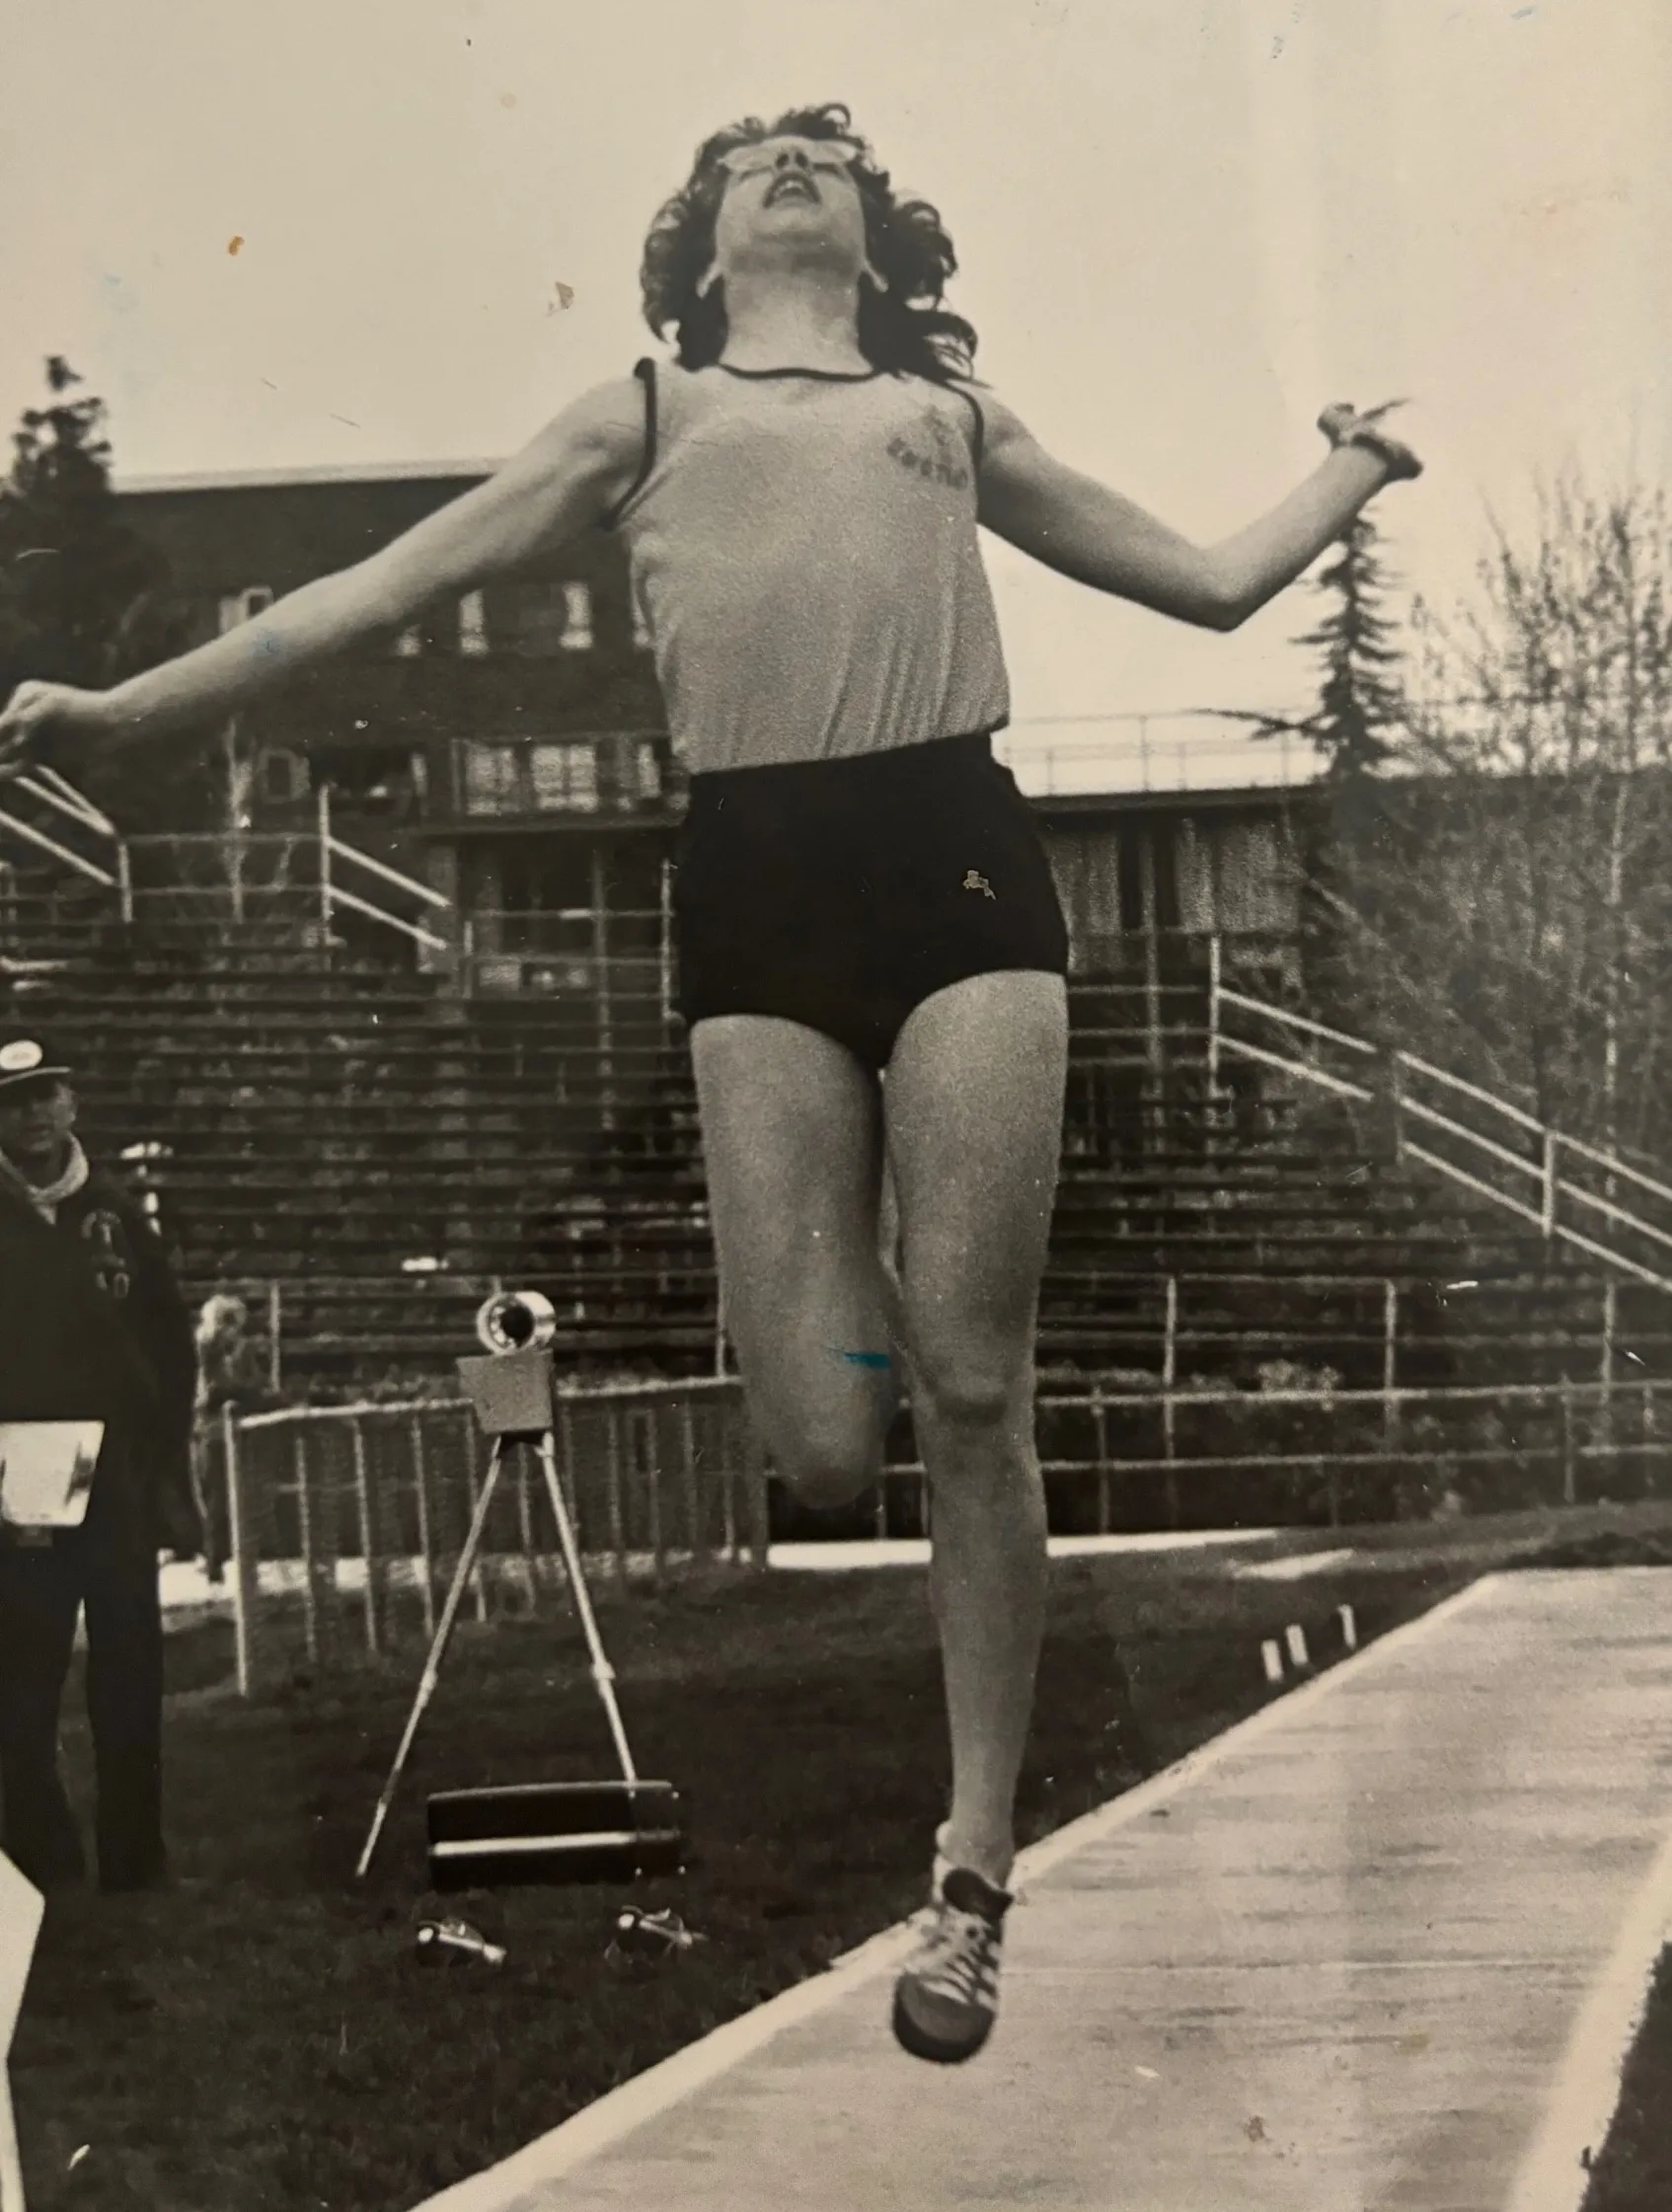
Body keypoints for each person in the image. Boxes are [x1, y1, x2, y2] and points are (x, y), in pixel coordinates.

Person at [0, 104, 1421, 2049]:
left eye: (819, 146)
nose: (783, 155)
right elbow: (373, 594)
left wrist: (1353, 464)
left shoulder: (942, 407)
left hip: (954, 856)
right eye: (746, 148)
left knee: (974, 1377)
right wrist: (114, 715)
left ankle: (973, 1866)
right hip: (749, 890)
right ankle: (870, 1257)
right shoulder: (643, 414)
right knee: (828, 1445)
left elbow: (1203, 581)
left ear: (869, 223)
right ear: (700, 229)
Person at [0, 1036, 201, 1891]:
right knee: (19, 1687)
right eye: (13, 1100)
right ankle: (40, 1866)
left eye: (47, 1095)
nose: (33, 1114)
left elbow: (170, 1345)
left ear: (72, 1104)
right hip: (16, 1485)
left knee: (128, 1675)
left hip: (115, 1477)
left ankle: (134, 1865)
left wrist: (157, 1463)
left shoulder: (117, 1212)